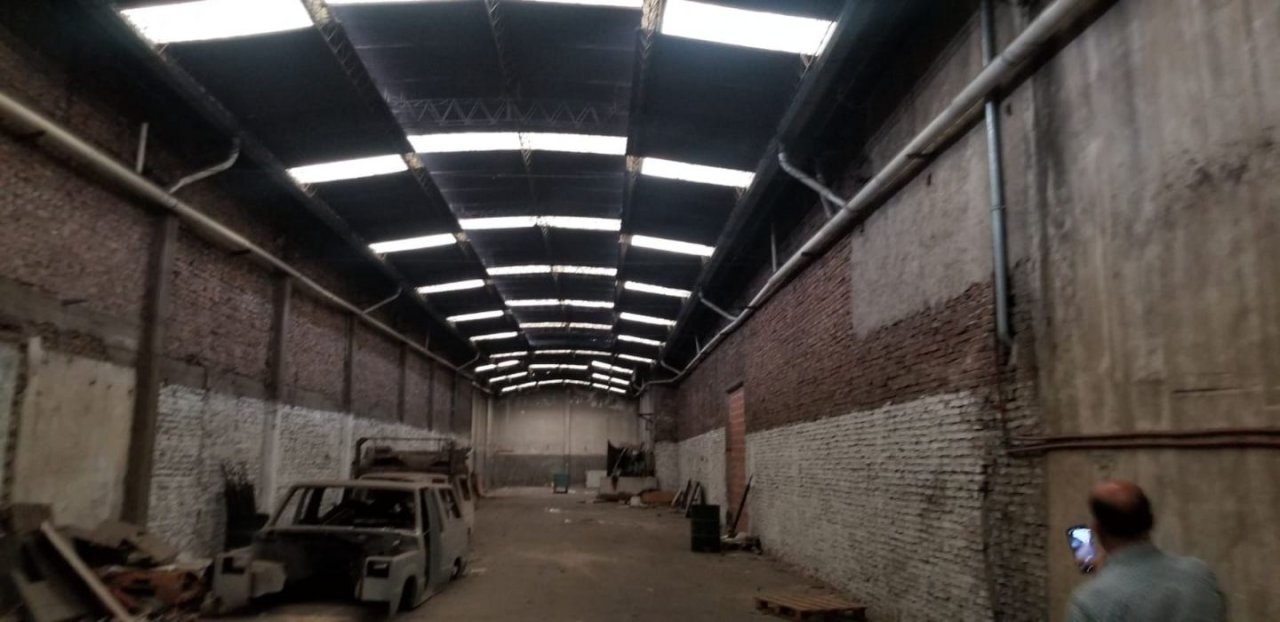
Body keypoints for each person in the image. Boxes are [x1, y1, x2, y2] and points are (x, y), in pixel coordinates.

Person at [1068, 480, 1226, 621]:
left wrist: (1105, 579)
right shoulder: (1201, 574)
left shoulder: (1088, 601)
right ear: (1151, 521)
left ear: (1097, 529)